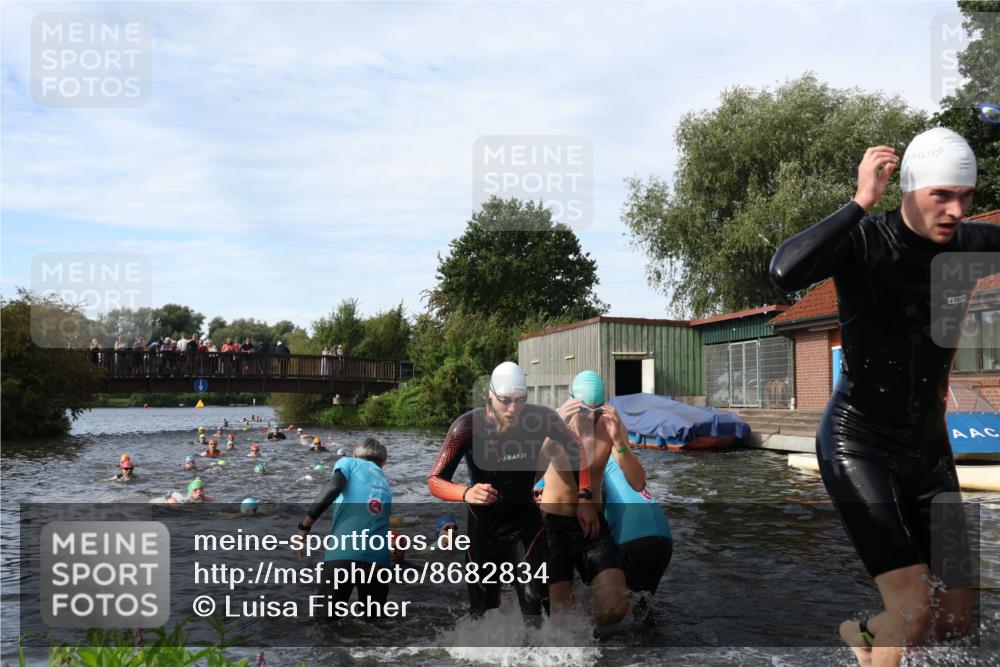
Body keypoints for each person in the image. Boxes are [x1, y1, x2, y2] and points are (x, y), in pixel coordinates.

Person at [769, 128, 999, 667]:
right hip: (859, 444)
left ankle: (867, 641)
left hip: (928, 450)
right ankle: (873, 638)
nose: (955, 210)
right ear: (909, 189)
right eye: (941, 195)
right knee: (916, 610)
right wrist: (859, 202)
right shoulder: (866, 241)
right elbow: (785, 272)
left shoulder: (968, 243)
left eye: (965, 197)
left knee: (959, 620)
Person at [427, 361, 590, 624]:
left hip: (525, 523)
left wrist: (584, 495)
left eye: (520, 400)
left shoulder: (542, 418)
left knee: (535, 602)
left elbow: (578, 449)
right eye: (505, 400)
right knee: (483, 612)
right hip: (484, 528)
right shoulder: (466, 427)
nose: (513, 408)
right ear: (491, 396)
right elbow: (435, 480)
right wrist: (466, 492)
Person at [541, 370, 645, 630]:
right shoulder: (553, 422)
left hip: (593, 527)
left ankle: (583, 635)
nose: (591, 416)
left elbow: (637, 483)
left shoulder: (609, 426)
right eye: (585, 409)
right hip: (553, 526)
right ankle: (566, 634)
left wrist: (620, 441)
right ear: (571, 401)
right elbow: (530, 471)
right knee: (558, 618)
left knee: (616, 608)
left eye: (597, 410)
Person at [295, 437, 393, 618]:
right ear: (383, 463)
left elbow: (334, 486)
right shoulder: (386, 483)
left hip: (345, 551)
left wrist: (304, 526)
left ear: (355, 455)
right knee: (374, 625)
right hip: (379, 559)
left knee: (326, 623)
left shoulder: (348, 462)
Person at [601, 456, 672, 623]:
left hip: (631, 535)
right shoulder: (617, 455)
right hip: (663, 537)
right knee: (643, 608)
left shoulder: (586, 457)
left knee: (617, 614)